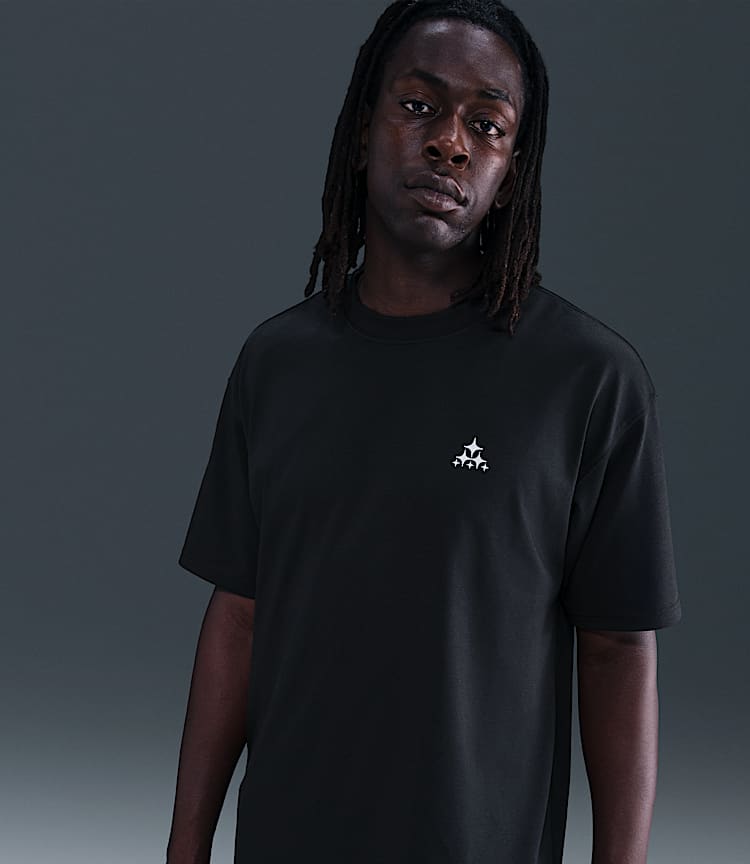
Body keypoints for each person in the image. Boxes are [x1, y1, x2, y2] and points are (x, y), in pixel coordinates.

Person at [166, 1, 682, 862]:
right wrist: (185, 850)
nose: (449, 142)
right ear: (362, 129)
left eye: (487, 125)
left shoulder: (586, 379)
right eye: (418, 105)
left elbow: (619, 649)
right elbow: (238, 620)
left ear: (509, 173)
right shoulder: (277, 363)